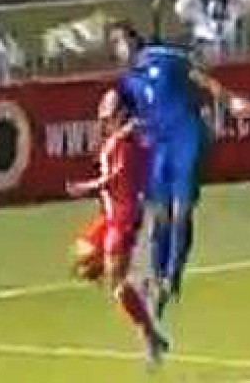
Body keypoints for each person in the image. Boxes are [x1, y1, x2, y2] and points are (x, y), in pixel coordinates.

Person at [108, 22, 250, 320]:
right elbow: (119, 113)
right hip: (158, 145)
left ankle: (173, 275)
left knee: (181, 209)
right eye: (115, 45)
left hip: (186, 135)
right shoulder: (127, 82)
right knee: (159, 213)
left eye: (120, 42)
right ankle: (159, 276)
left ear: (133, 41)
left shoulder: (163, 57)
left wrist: (230, 100)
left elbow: (200, 79)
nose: (119, 49)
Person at [67, 89, 169, 368]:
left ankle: (150, 335)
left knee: (118, 283)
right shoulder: (121, 139)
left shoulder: (126, 143)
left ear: (120, 114)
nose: (102, 120)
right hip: (110, 216)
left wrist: (85, 187)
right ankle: (144, 309)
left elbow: (117, 177)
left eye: (107, 114)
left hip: (123, 218)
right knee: (83, 255)